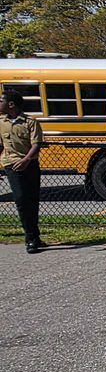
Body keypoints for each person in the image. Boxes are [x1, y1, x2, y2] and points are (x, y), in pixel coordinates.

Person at [0, 90, 46, 253]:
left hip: (30, 164)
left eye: (1, 101)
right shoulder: (1, 122)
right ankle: (30, 238)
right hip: (11, 164)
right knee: (21, 199)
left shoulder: (30, 122)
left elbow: (37, 144)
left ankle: (35, 235)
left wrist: (26, 160)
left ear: (11, 104)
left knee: (32, 200)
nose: (0, 104)